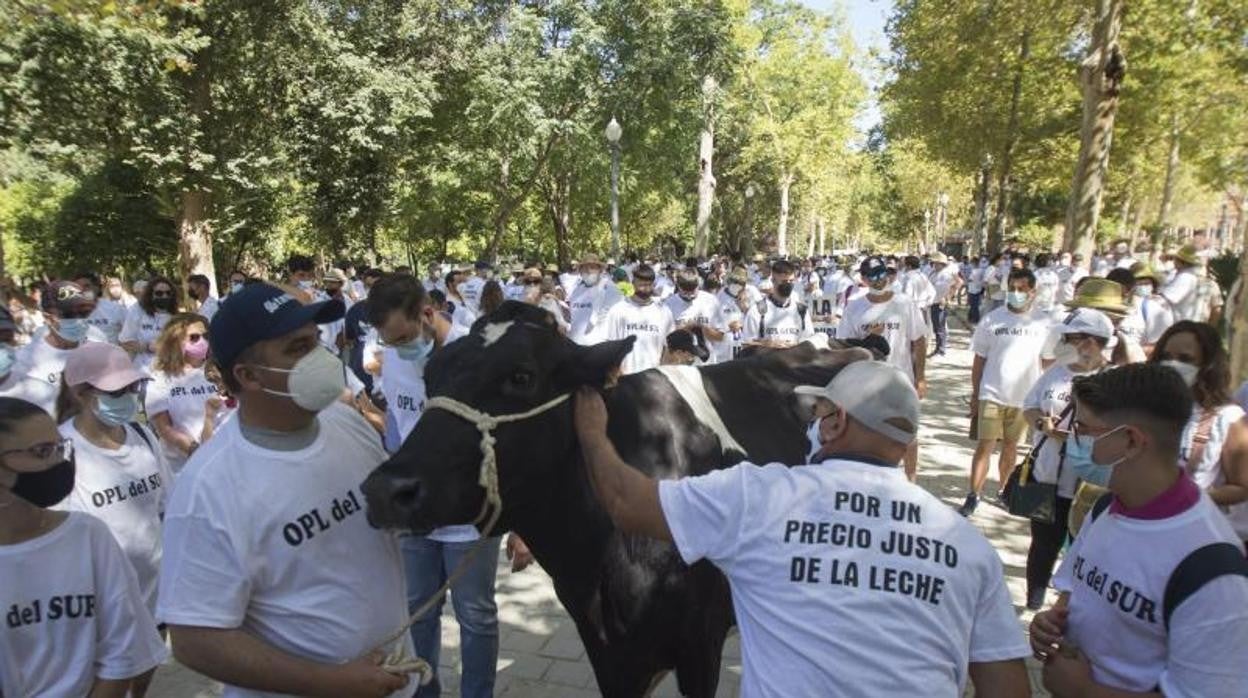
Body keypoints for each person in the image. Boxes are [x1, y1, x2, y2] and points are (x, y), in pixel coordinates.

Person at [573, 360, 1031, 697]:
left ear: (836, 423)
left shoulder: (761, 497)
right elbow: (1007, 687)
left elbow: (625, 501)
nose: (811, 423)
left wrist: (592, 429)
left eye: (817, 413)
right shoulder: (967, 545)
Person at [156, 283, 414, 698]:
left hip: (398, 681)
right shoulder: (208, 489)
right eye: (298, 348)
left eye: (316, 342)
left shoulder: (346, 423)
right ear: (248, 375)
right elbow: (194, 639)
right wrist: (331, 683)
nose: (320, 358)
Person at [1032, 363, 1248, 697]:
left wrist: (1085, 690)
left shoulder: (1213, 569)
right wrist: (1050, 623)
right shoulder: (1107, 508)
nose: (1073, 439)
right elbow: (1073, 597)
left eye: (1082, 429)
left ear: (1131, 441)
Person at [366, 273, 520, 698]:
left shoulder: (477, 355)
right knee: (418, 611)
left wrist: (521, 525)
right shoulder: (394, 358)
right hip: (414, 516)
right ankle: (424, 690)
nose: (398, 348)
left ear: (428, 313)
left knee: (476, 616)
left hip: (469, 516)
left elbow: (508, 439)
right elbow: (398, 430)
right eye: (389, 342)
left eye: (403, 337)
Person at [0, 397, 167, 697]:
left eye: (60, 447)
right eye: (42, 452)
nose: (59, 462)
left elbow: (124, 651)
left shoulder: (88, 536)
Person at [56, 342, 171, 698]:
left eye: (133, 387)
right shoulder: (61, 451)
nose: (129, 397)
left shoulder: (143, 437)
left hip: (153, 590)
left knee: (144, 672)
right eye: (116, 391)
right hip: (102, 602)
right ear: (80, 393)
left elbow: (168, 504)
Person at [1020, 309, 1114, 610]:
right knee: (1041, 543)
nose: (1062, 343)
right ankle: (1033, 602)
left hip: (1088, 486)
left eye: (1069, 338)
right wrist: (1041, 424)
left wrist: (1079, 434)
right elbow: (1029, 407)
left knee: (1084, 550)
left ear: (1090, 342)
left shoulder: (1113, 380)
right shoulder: (1056, 372)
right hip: (1045, 475)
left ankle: (1070, 607)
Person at [961, 268, 1052, 517]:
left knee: (1011, 448)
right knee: (985, 446)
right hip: (992, 393)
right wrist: (976, 395)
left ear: (1033, 292)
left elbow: (1048, 361)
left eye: (1022, 289)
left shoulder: (1044, 323)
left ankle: (1004, 491)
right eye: (1012, 288)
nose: (1016, 293)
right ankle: (973, 495)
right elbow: (979, 360)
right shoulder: (992, 319)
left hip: (1024, 399)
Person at [1150, 321, 1248, 541]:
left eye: (1185, 359)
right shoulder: (1148, 408)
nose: (1172, 365)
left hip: (1196, 534)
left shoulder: (1228, 418)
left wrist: (1193, 497)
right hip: (1145, 525)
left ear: (1207, 365)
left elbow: (1242, 487)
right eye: (1166, 357)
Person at [837, 257, 928, 480]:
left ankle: (910, 481)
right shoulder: (854, 307)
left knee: (908, 434)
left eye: (881, 274)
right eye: (872, 276)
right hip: (867, 384)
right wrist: (869, 338)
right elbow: (845, 345)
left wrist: (921, 377)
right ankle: (871, 480)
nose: (878, 280)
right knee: (869, 434)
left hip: (901, 381)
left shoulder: (905, 303)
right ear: (864, 279)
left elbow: (919, 340)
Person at [144, 313, 227, 474]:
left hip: (226, 458)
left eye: (206, 336)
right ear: (175, 341)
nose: (202, 342)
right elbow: (165, 428)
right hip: (183, 467)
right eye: (194, 338)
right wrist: (196, 452)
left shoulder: (218, 371)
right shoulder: (159, 379)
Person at [8, 281, 100, 414]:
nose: (78, 319)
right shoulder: (25, 362)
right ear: (48, 318)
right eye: (68, 314)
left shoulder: (97, 338)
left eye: (83, 312)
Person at [605, 265, 675, 374]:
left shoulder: (664, 311)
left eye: (649, 285)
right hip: (625, 377)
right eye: (641, 285)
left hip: (653, 378)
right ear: (633, 283)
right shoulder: (618, 310)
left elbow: (669, 347)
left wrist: (662, 372)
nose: (646, 289)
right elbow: (610, 347)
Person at [119, 275, 180, 373]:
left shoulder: (175, 316)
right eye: (159, 293)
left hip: (168, 368)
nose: (164, 296)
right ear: (151, 294)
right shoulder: (137, 310)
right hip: (143, 369)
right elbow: (124, 343)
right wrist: (147, 347)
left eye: (168, 293)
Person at [665, 269, 726, 364]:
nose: (689, 296)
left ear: (698, 285)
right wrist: (684, 328)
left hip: (706, 361)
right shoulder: (668, 304)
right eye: (685, 292)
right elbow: (665, 339)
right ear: (678, 286)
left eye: (693, 292)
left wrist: (704, 329)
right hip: (680, 362)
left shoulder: (711, 301)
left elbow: (721, 337)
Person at [756, 260, 815, 347]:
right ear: (773, 280)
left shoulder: (801, 311)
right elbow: (746, 344)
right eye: (784, 281)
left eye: (791, 281)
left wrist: (793, 346)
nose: (788, 284)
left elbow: (809, 342)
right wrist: (769, 345)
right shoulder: (757, 310)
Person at [928, 252, 962, 356]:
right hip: (933, 302)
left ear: (941, 263)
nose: (934, 265)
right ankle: (938, 347)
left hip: (941, 302)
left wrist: (948, 297)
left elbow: (959, 282)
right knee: (936, 326)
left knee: (940, 327)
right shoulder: (933, 273)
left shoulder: (947, 273)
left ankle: (941, 349)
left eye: (936, 263)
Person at [1160, 245, 1202, 322]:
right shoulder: (1182, 275)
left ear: (1182, 262)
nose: (1173, 261)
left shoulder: (1185, 277)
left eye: (1175, 259)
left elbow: (1167, 298)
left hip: (1180, 321)